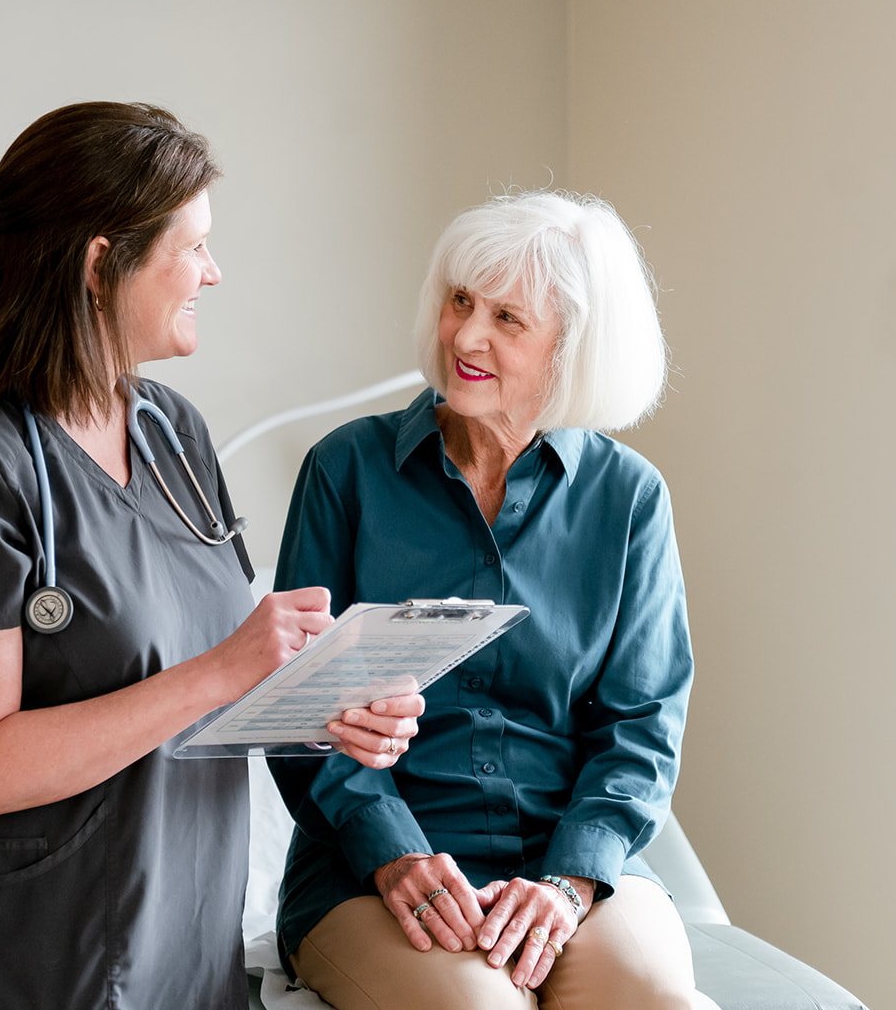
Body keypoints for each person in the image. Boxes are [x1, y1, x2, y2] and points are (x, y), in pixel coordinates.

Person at [0, 101, 423, 1010]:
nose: (214, 273)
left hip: (186, 944)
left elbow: (207, 680)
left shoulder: (171, 432)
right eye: (192, 248)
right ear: (99, 264)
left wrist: (324, 708)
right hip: (30, 960)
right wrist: (226, 668)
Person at [270, 190, 699, 1009]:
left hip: (566, 861)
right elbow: (298, 716)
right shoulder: (345, 471)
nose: (467, 336)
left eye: (509, 318)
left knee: (655, 998)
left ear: (572, 345)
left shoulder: (630, 498)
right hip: (373, 870)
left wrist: (569, 884)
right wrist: (395, 853)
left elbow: (642, 726)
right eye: (462, 302)